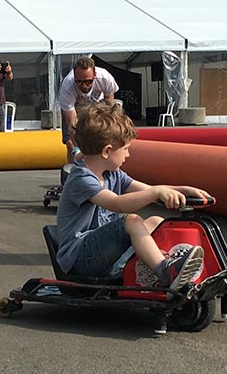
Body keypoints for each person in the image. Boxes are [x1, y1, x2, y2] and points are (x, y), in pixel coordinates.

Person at [56, 101, 209, 290]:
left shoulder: (113, 174)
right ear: (107, 151)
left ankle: (168, 265)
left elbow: (147, 189)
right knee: (132, 221)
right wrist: (155, 192)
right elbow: (117, 204)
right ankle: (165, 271)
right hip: (80, 259)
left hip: (103, 254)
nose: (128, 155)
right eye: (126, 149)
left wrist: (182, 190)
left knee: (155, 221)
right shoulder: (81, 179)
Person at [58, 56, 119, 161]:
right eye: (79, 82)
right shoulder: (67, 86)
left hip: (97, 105)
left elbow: (110, 109)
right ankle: (73, 170)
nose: (84, 86)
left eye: (88, 82)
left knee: (101, 135)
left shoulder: (105, 78)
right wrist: (79, 151)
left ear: (94, 75)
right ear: (74, 75)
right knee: (70, 142)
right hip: (76, 108)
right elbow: (72, 125)